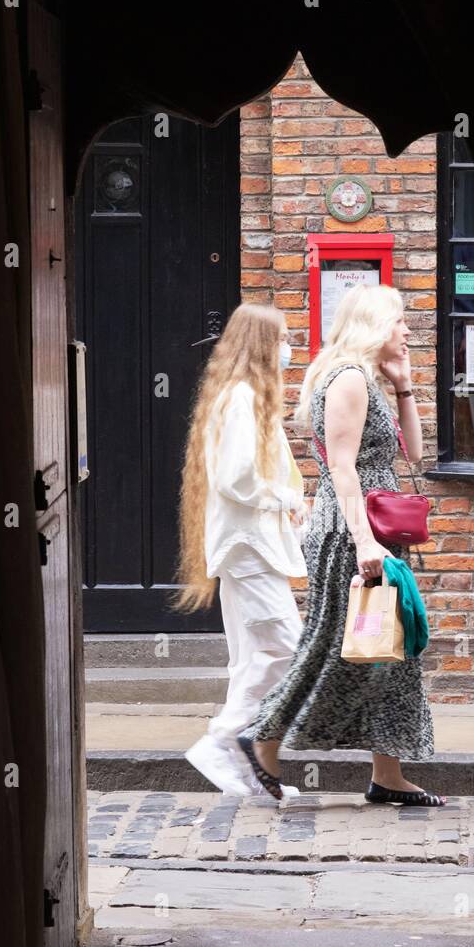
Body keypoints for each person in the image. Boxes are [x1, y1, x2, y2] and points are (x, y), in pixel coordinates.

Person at [236, 283, 444, 807]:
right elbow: (340, 468)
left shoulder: (373, 380)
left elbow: (414, 458)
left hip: (376, 533)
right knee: (336, 649)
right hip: (352, 534)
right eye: (399, 321)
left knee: (390, 653)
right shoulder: (348, 378)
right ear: (375, 323)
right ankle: (262, 739)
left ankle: (387, 776)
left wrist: (404, 388)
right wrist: (365, 542)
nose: (406, 330)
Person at [175, 302, 307, 796]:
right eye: (284, 339)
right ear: (263, 345)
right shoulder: (244, 398)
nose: (289, 348)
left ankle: (244, 770)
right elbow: (236, 479)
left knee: (249, 655)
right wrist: (284, 498)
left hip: (247, 547)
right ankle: (222, 739)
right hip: (249, 548)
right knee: (287, 649)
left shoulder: (242, 396)